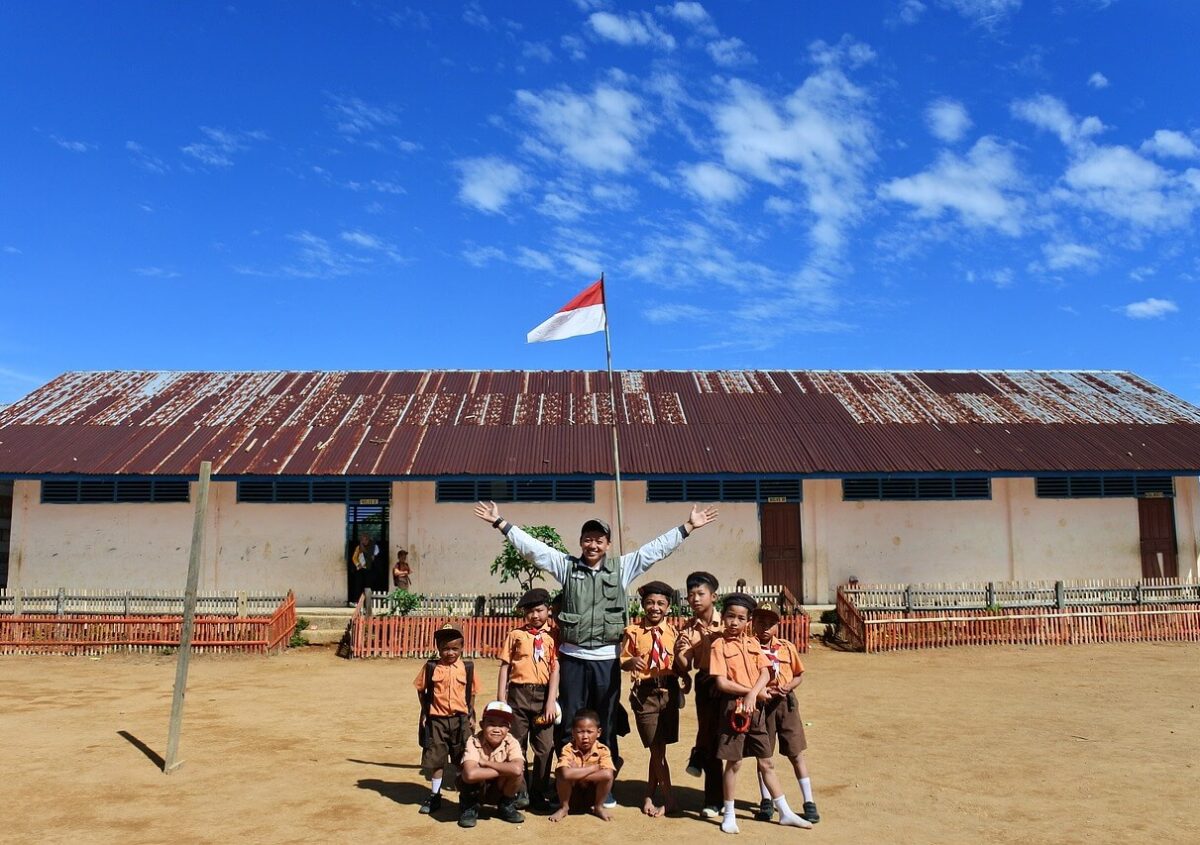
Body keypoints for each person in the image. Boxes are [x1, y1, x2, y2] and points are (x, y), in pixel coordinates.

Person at [474, 500, 719, 809]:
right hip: (572, 658)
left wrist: (688, 527)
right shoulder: (566, 566)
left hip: (606, 660)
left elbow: (654, 550)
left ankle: (605, 784)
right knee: (569, 722)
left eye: (599, 540)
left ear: (607, 544)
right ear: (580, 542)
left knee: (605, 722)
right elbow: (534, 549)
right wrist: (501, 523)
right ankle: (568, 784)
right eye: (588, 539)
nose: (593, 545)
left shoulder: (622, 568)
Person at [709, 593, 811, 833]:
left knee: (766, 761)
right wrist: (750, 693)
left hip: (755, 709)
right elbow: (722, 683)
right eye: (730, 616)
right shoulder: (719, 646)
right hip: (733, 710)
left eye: (740, 618)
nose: (734, 622)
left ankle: (784, 812)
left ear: (747, 621)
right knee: (734, 762)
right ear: (723, 617)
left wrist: (753, 695)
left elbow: (765, 673)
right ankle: (729, 814)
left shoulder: (753, 644)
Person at [751, 602, 819, 824]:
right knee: (763, 755)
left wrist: (789, 686)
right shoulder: (749, 649)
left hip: (785, 705)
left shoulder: (787, 648)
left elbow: (799, 675)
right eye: (760, 622)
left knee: (796, 753)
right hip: (762, 706)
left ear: (778, 625)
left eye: (770, 623)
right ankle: (766, 800)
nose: (765, 627)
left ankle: (809, 802)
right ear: (753, 623)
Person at [619, 580, 680, 817]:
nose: (655, 607)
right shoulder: (633, 632)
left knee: (659, 748)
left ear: (668, 607)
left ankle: (648, 794)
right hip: (644, 694)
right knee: (655, 747)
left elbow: (681, 663)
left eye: (660, 603)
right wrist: (630, 662)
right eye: (650, 603)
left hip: (668, 692)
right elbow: (623, 660)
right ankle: (669, 798)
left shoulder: (674, 633)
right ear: (643, 605)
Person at [497, 587, 561, 811]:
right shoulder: (516, 635)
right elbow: (505, 666)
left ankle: (538, 791)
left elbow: (555, 669)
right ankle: (520, 790)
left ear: (548, 610)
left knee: (545, 747)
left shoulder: (553, 636)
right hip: (518, 695)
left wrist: (551, 701)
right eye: (530, 612)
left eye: (539, 610)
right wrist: (501, 699)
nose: (535, 616)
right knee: (517, 744)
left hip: (544, 697)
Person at [415, 624, 480, 816]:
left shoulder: (467, 668)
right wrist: (425, 712)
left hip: (461, 720)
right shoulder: (431, 667)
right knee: (437, 760)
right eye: (445, 648)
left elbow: (472, 692)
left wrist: (471, 714)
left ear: (462, 648)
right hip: (437, 721)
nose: (450, 652)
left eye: (454, 648)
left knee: (463, 758)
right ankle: (435, 795)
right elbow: (421, 690)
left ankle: (465, 797)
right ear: (438, 648)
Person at [674, 570, 724, 818]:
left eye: (700, 593)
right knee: (712, 736)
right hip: (705, 682)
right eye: (691, 594)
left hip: (731, 682)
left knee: (733, 738)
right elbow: (686, 665)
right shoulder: (689, 629)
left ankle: (698, 753)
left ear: (713, 596)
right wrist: (679, 652)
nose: (695, 599)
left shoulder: (728, 621)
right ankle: (714, 800)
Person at [457, 701, 527, 828]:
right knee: (464, 775)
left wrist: (485, 763)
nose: (497, 729)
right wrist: (505, 769)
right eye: (491, 724)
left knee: (518, 775)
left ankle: (506, 805)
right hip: (478, 787)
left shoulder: (512, 742)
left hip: (498, 788)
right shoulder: (473, 741)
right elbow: (470, 774)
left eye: (502, 725)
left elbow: (517, 769)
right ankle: (469, 806)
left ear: (509, 728)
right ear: (482, 725)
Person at [548, 709, 616, 823]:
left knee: (608, 777)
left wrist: (577, 772)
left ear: (598, 732)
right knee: (560, 774)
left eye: (589, 732)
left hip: (592, 795)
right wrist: (593, 768)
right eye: (580, 732)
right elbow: (565, 774)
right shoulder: (568, 749)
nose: (585, 736)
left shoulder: (603, 750)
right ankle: (564, 807)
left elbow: (607, 774)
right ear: (573, 733)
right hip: (573, 795)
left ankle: (598, 807)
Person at [349, 532, 378, 604]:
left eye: (366, 539)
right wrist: (358, 564)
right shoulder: (358, 547)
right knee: (358, 585)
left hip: (370, 569)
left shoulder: (374, 547)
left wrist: (372, 557)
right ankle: (357, 601)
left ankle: (367, 602)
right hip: (361, 569)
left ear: (368, 539)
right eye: (362, 540)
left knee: (368, 585)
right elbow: (354, 558)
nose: (364, 541)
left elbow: (375, 556)